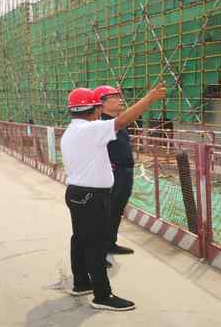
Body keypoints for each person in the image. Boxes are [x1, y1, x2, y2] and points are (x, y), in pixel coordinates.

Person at [61, 83, 166, 311]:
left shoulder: (72, 131)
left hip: (77, 193)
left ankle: (81, 283)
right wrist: (148, 98)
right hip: (91, 196)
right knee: (96, 245)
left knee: (80, 239)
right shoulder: (90, 130)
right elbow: (120, 121)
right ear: (97, 109)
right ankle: (102, 295)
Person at [93, 85, 136, 258]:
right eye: (114, 97)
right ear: (101, 103)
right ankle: (99, 252)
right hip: (113, 174)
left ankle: (110, 244)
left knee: (117, 210)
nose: (120, 99)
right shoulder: (102, 125)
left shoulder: (117, 122)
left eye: (119, 96)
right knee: (106, 213)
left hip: (125, 173)